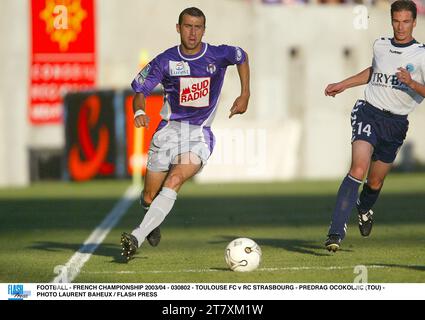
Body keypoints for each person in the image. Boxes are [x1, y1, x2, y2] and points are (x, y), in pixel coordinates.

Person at [121, 7, 250, 261]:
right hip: (168, 132)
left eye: (198, 27)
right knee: (149, 195)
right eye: (188, 26)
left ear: (204, 29)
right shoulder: (165, 61)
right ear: (178, 28)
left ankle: (136, 236)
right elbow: (140, 90)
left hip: (199, 135)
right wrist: (139, 112)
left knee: (175, 179)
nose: (193, 32)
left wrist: (245, 93)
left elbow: (242, 56)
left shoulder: (217, 54)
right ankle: (150, 218)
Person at [324, 0, 425, 252]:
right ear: (391, 20)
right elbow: (373, 71)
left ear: (414, 22)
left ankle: (365, 207)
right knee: (358, 168)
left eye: (405, 22)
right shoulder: (380, 45)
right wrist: (344, 84)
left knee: (375, 182)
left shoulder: (422, 54)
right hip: (368, 112)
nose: (400, 27)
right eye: (396, 21)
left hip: (396, 123)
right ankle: (335, 233)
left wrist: (412, 83)